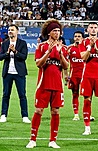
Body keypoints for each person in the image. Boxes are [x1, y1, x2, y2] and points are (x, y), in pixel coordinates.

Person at [26, 19, 69, 149]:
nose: (57, 33)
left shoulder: (63, 48)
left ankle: (53, 140)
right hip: (43, 84)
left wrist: (60, 54)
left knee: (55, 111)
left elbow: (66, 66)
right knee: (39, 110)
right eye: (54, 30)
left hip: (57, 85)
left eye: (58, 30)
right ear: (49, 32)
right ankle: (33, 139)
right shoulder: (42, 46)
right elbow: (39, 64)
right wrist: (48, 52)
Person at [0, 24, 30, 123]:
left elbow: (24, 57)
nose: (10, 31)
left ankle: (25, 116)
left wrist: (15, 51)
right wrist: (7, 52)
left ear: (17, 32)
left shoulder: (22, 43)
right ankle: (3, 115)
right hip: (7, 73)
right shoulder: (4, 43)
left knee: (22, 95)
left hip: (19, 73)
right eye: (9, 30)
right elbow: (0, 57)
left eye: (12, 30)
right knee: (6, 94)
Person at [66, 31, 85, 121]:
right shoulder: (69, 49)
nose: (77, 38)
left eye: (79, 36)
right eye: (75, 36)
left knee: (87, 95)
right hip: (74, 76)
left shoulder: (86, 48)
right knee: (75, 94)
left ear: (82, 38)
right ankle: (76, 114)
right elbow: (65, 64)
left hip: (85, 75)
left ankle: (88, 114)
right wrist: (66, 76)